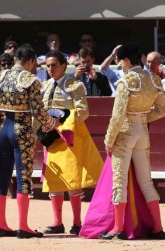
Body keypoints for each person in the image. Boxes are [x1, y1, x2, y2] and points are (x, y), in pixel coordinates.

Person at [0, 44, 60, 239]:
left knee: (3, 177)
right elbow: (39, 112)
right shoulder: (30, 80)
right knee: (23, 178)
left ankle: (2, 225)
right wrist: (50, 125)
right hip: (22, 130)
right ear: (30, 61)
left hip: (4, 130)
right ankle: (23, 226)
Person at [98, 43, 165, 240]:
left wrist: (108, 139)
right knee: (146, 182)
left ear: (127, 60)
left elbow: (118, 116)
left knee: (119, 181)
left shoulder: (126, 81)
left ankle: (118, 228)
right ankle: (158, 228)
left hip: (126, 134)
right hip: (143, 133)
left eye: (119, 60)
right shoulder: (153, 79)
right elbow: (163, 110)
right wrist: (142, 118)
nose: (119, 65)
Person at [41, 51, 103, 236]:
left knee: (73, 181)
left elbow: (83, 111)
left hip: (69, 138)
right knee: (55, 179)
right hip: (51, 138)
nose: (50, 69)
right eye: (48, 65)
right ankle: (57, 222)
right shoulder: (44, 86)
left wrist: (63, 123)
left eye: (54, 65)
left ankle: (77, 223)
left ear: (63, 66)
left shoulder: (74, 85)